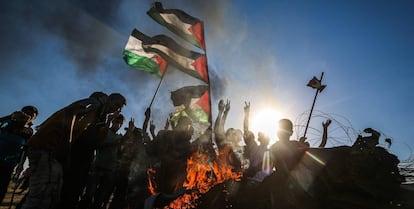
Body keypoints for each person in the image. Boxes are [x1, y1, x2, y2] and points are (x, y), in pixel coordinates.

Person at [21, 92, 126, 209]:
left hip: (53, 151)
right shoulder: (95, 103)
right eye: (117, 106)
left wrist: (107, 122)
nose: (115, 110)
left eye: (119, 109)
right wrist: (68, 142)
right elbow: (72, 112)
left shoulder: (100, 115)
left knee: (50, 195)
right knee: (41, 198)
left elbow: (96, 141)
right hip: (49, 147)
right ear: (110, 100)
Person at [79, 113, 125, 209]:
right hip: (98, 167)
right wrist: (111, 144)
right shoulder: (105, 131)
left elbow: (121, 153)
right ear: (113, 122)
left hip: (110, 170)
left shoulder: (120, 138)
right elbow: (98, 145)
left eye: (120, 123)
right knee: (89, 194)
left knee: (100, 197)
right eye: (117, 122)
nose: (118, 125)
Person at [0, 106, 38, 203]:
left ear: (33, 119)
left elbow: (26, 148)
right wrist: (9, 116)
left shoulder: (29, 131)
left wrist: (21, 166)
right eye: (25, 112)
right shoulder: (8, 122)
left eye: (31, 115)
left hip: (8, 164)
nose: (27, 115)